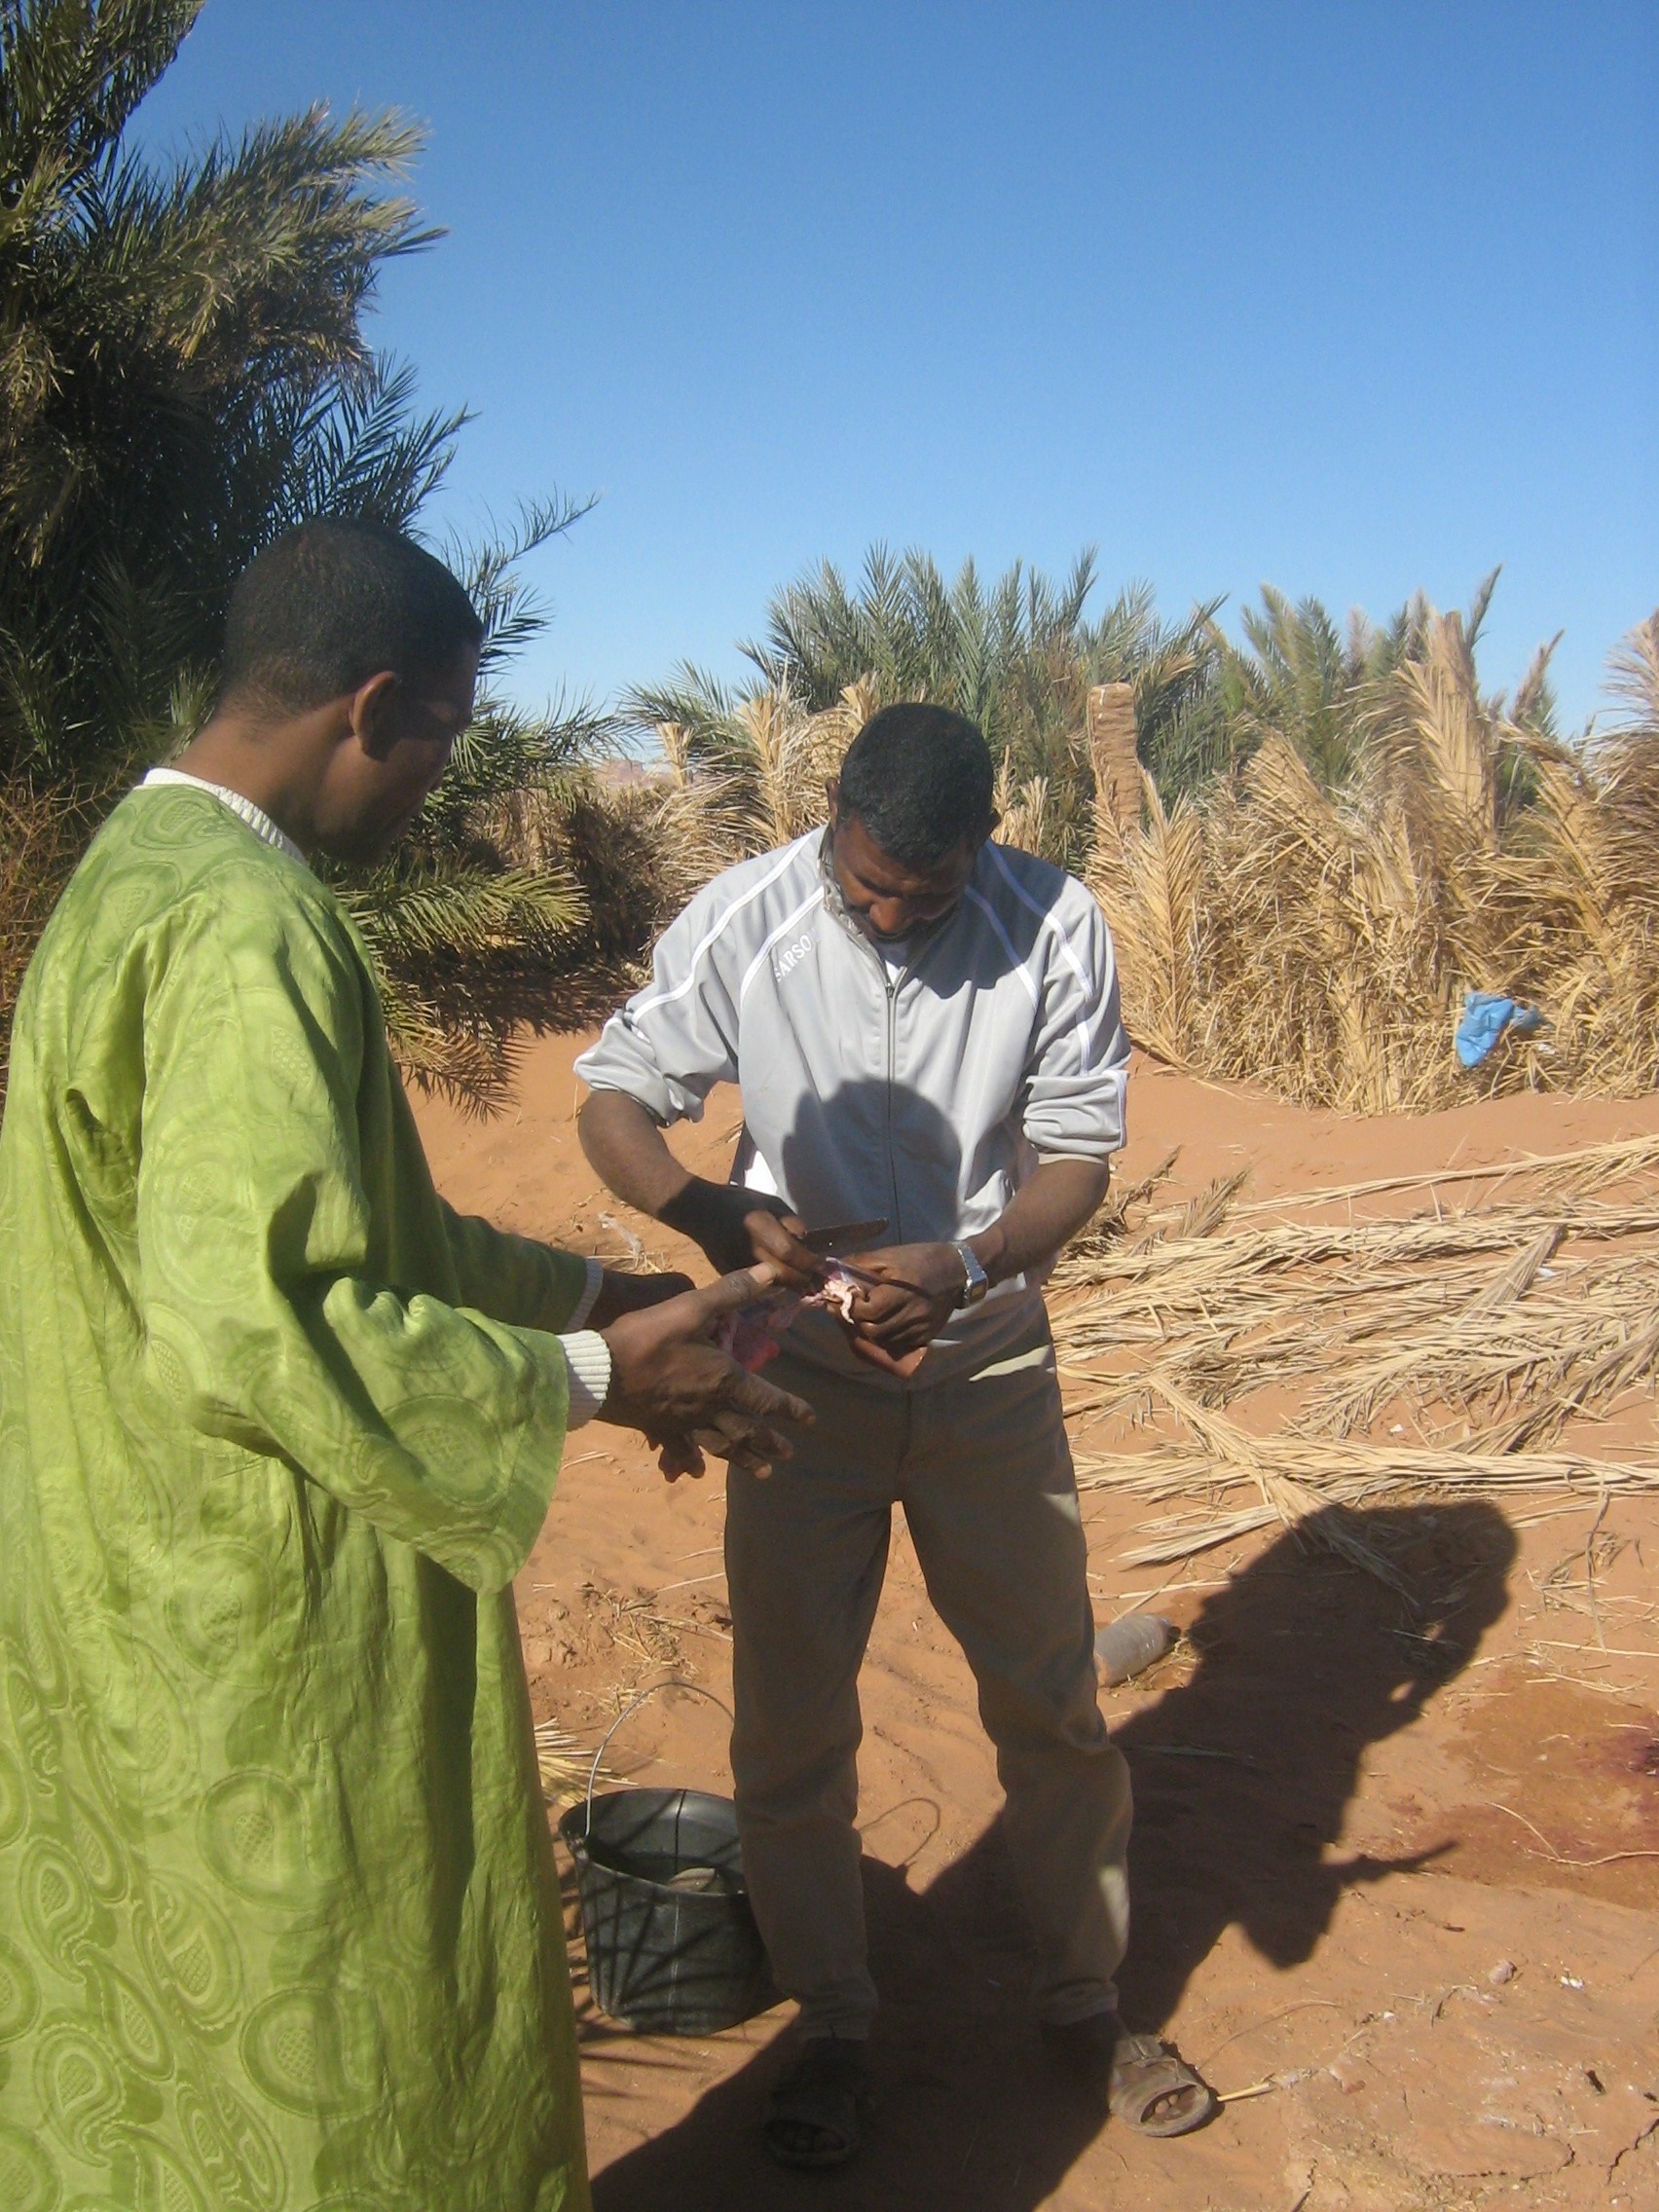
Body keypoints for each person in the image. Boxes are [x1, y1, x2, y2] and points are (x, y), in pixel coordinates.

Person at [0, 519, 810, 2212]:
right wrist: (599, 1382)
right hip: (265, 1606)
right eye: (440, 740)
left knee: (166, 2016)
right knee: (345, 2019)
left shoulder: (132, 872)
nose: (436, 788)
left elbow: (356, 1229)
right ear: (373, 707)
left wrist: (600, 1293)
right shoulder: (248, 927)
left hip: (119, 1564)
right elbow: (262, 1319)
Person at [576, 702, 1216, 2166]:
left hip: (987, 1369)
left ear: (981, 843)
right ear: (835, 825)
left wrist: (971, 1264)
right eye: (865, 883)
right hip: (797, 1383)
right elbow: (612, 1103)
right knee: (791, 1718)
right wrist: (709, 1213)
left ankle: (1087, 2000)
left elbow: (1077, 1160)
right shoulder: (746, 918)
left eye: (922, 896)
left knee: (1048, 1699)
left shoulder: (1055, 925)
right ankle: (832, 2021)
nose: (886, 916)